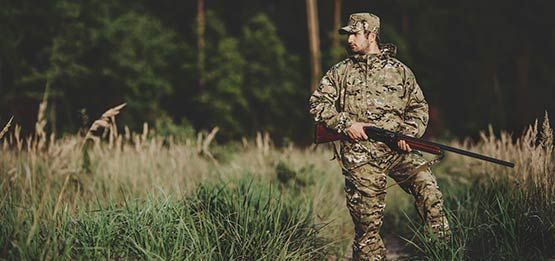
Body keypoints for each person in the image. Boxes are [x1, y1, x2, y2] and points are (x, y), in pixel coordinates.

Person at [309, 12, 451, 260]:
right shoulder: (340, 72)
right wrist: (346, 123)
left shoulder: (400, 71)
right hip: (360, 157)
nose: (350, 39)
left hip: (398, 151)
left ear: (371, 35)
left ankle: (442, 252)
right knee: (368, 225)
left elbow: (418, 108)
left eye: (355, 33)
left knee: (430, 193)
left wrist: (409, 134)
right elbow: (317, 104)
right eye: (348, 34)